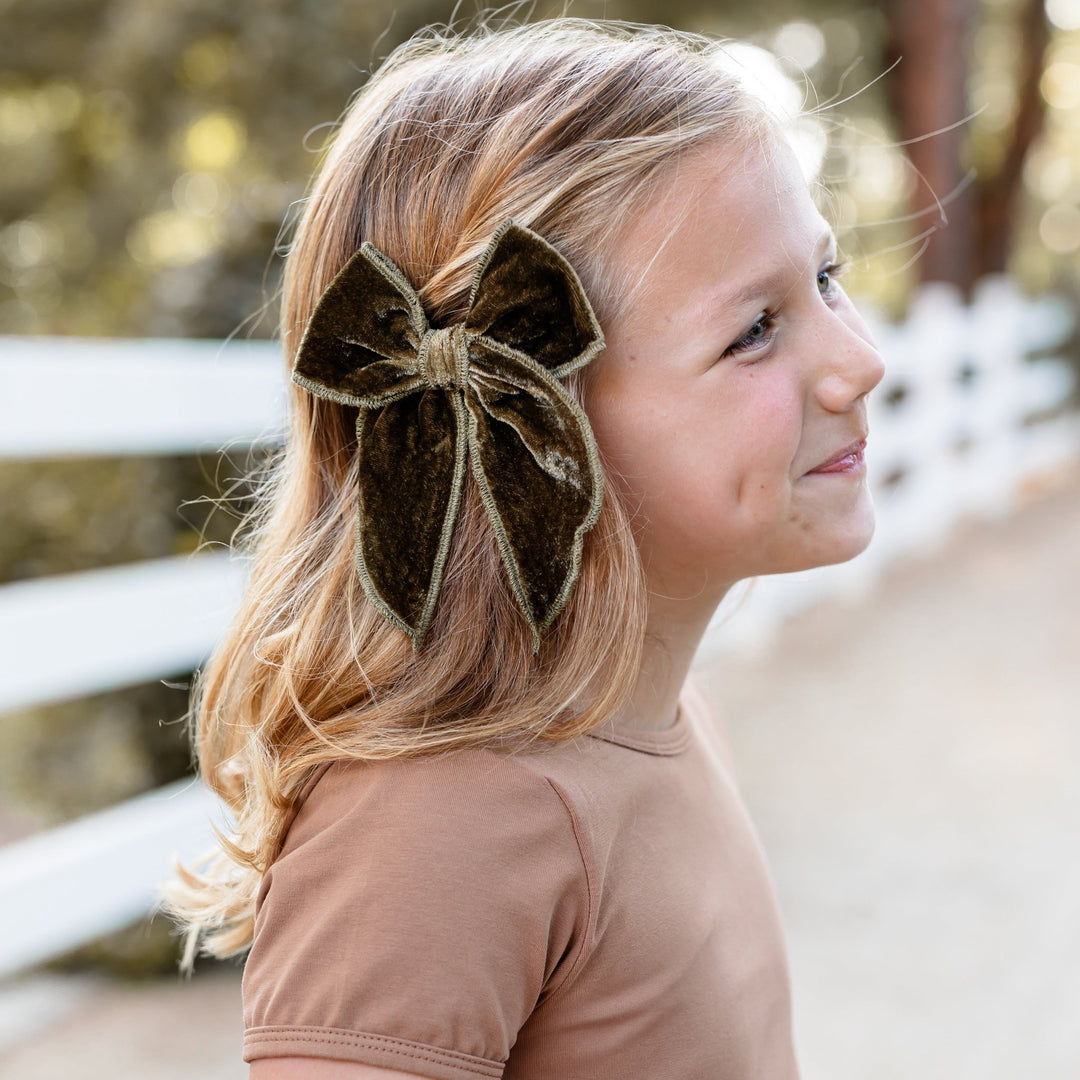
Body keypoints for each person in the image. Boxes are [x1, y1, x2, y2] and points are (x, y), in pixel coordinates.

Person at [165, 15, 885, 1080]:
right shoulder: (438, 820)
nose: (859, 360)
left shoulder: (664, 719)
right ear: (521, 429)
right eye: (754, 331)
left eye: (824, 279)